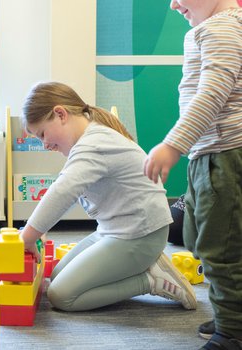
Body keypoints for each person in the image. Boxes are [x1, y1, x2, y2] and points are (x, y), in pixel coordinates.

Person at [19, 81, 196, 315]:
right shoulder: (90, 137)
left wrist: (28, 237)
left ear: (60, 114)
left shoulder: (94, 144)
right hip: (115, 231)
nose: (45, 144)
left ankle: (150, 279)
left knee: (61, 296)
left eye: (42, 134)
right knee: (56, 276)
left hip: (140, 236)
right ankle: (142, 267)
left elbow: (63, 191)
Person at [144, 1, 242, 349]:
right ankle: (233, 311)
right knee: (199, 236)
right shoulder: (211, 28)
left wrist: (172, 145)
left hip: (225, 154)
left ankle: (232, 332)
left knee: (222, 247)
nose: (174, 4)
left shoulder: (221, 28)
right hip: (208, 153)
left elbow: (213, 93)